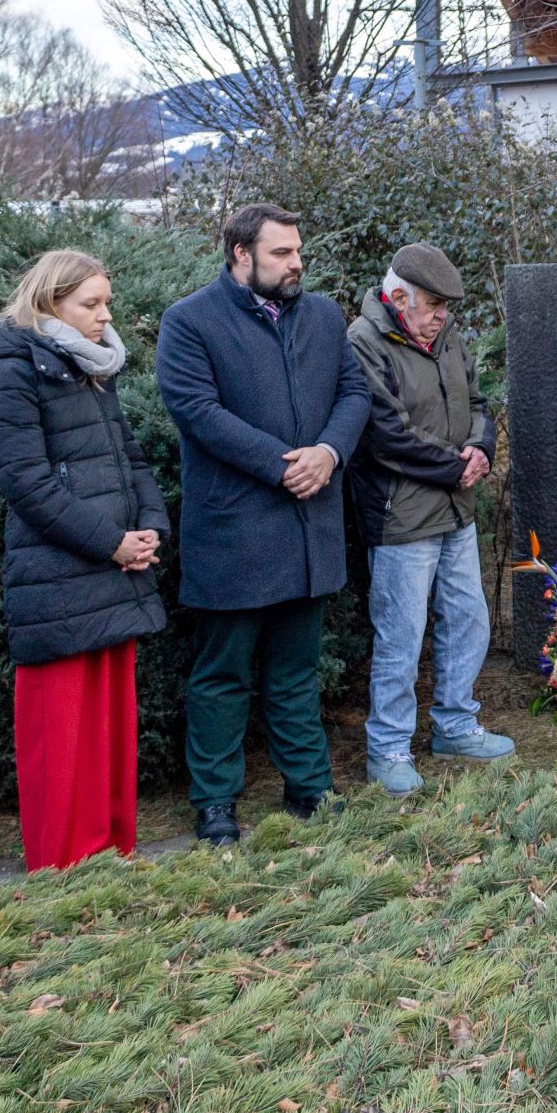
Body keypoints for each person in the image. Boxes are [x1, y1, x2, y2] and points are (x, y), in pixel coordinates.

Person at [156, 204, 369, 845]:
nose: (296, 263)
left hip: (309, 529)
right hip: (235, 533)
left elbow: (354, 393)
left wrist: (328, 453)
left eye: (298, 251)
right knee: (222, 677)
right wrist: (284, 466)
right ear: (240, 255)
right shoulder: (189, 321)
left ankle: (310, 789)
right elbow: (197, 412)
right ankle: (215, 805)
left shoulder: (325, 316)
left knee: (297, 670)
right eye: (281, 253)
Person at [0, 250, 169, 872]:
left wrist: (150, 529)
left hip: (114, 569)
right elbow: (26, 483)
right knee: (60, 734)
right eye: (91, 304)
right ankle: (61, 867)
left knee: (109, 727)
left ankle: (111, 857)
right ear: (50, 301)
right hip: (59, 575)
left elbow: (128, 460)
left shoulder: (89, 366)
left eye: (106, 302)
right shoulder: (10, 365)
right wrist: (111, 542)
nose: (105, 316)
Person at [345, 244, 510, 796]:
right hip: (402, 515)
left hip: (454, 509)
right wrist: (455, 467)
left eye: (446, 307)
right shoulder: (363, 342)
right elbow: (384, 434)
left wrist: (481, 448)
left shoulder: (446, 335)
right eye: (434, 305)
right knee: (402, 634)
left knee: (468, 618)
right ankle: (389, 749)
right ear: (397, 298)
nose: (442, 316)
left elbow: (480, 402)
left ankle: (456, 726)